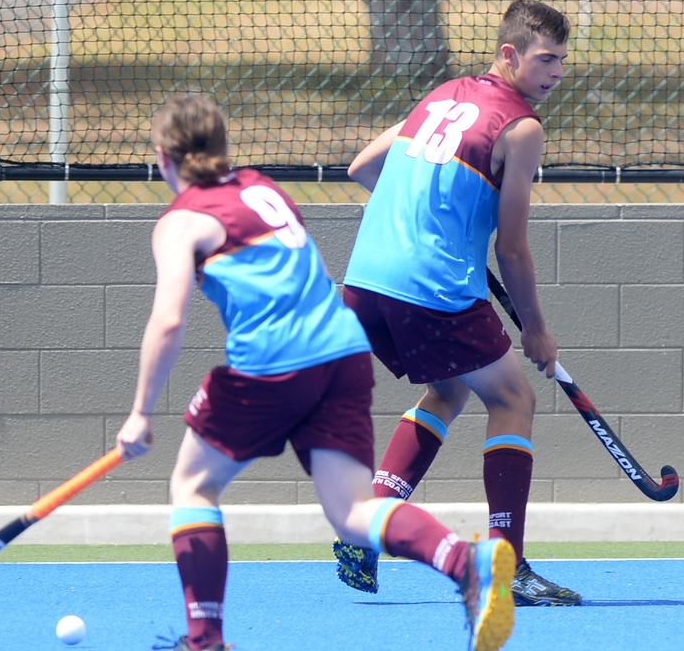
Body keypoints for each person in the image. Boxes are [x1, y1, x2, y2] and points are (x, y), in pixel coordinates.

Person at [116, 94, 515, 651]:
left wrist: (139, 414)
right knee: (353, 513)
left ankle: (204, 640)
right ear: (222, 147)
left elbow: (167, 321)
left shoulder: (182, 221)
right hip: (342, 355)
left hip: (273, 360)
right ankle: (463, 560)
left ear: (163, 157)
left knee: (193, 485)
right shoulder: (264, 189)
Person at [330, 0, 581, 607]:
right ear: (509, 54)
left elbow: (363, 168)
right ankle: (509, 565)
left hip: (366, 276)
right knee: (513, 396)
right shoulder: (522, 128)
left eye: (562, 62)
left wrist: (439, 220)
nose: (554, 73)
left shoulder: (442, 95)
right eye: (545, 59)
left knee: (451, 387)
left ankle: (371, 521)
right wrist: (537, 331)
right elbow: (514, 248)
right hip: (433, 286)